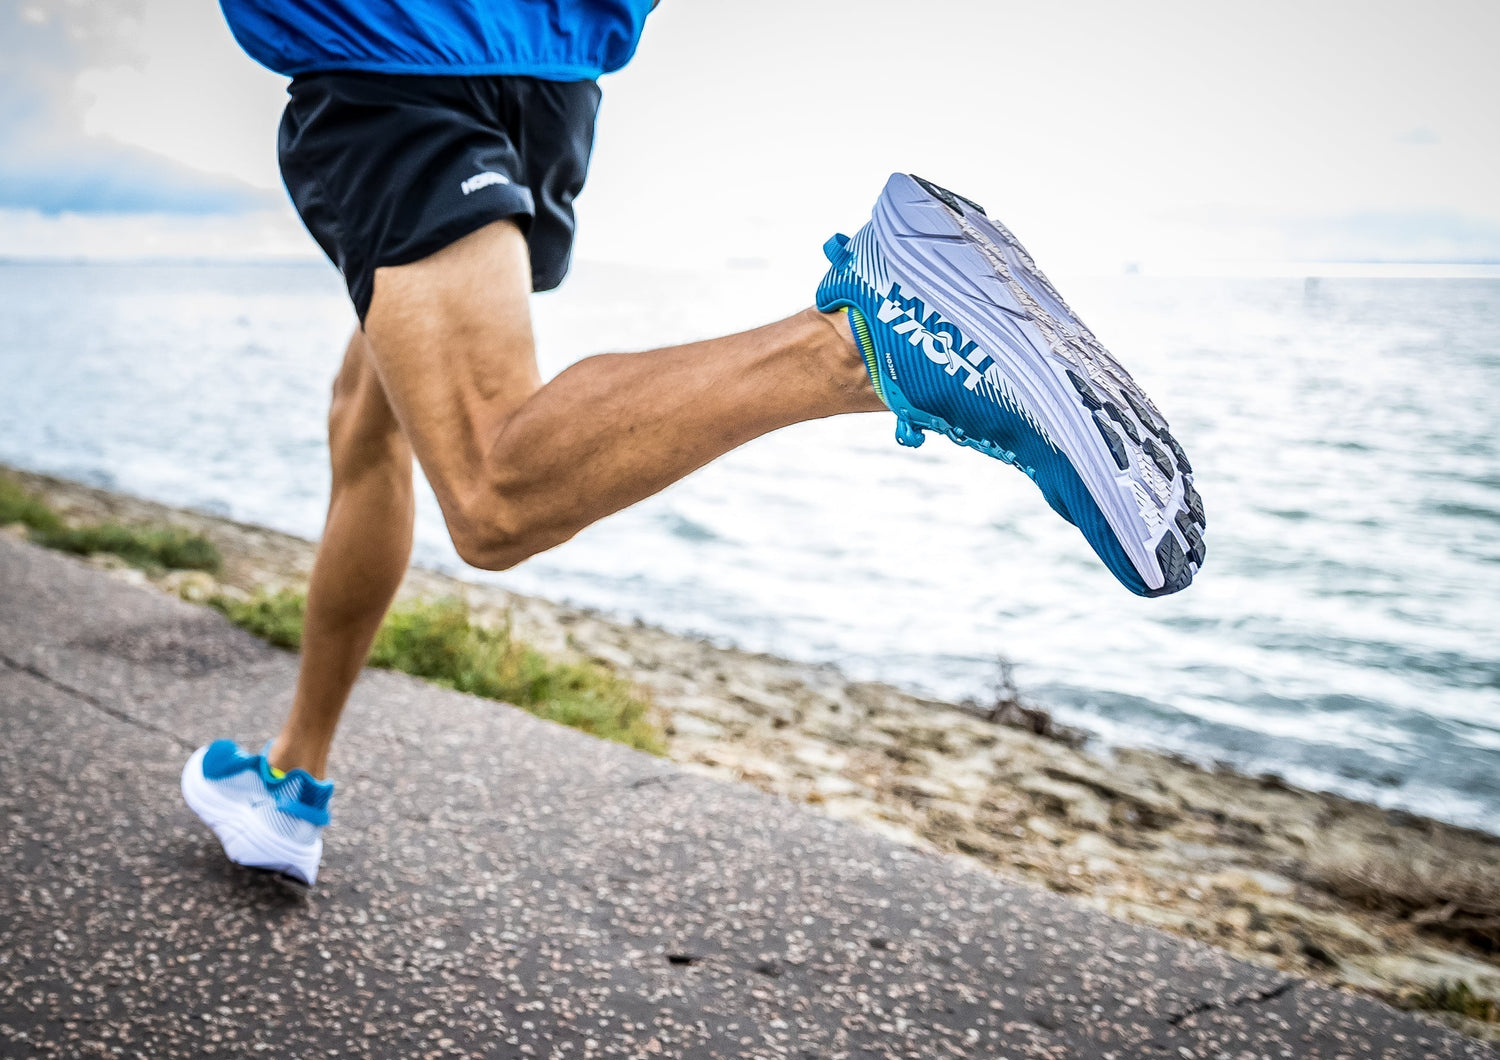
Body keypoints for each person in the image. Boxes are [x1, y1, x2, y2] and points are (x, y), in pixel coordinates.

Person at [182, 0, 1206, 886]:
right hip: (553, 73)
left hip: (392, 45)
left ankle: (865, 338)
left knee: (494, 487)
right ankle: (294, 776)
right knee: (373, 409)